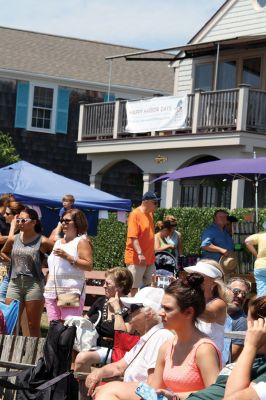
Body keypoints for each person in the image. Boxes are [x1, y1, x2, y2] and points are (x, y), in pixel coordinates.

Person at [85, 287, 174, 399]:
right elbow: (119, 367)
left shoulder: (161, 336)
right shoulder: (147, 337)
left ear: (149, 313)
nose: (129, 312)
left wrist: (114, 387)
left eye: (134, 307)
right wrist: (99, 373)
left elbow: (152, 388)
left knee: (106, 392)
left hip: (148, 396)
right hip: (135, 393)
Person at [149, 274, 222, 400]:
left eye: (168, 309)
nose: (161, 313)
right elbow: (154, 392)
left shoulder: (204, 350)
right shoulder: (166, 347)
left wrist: (175, 397)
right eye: (162, 307)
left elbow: (216, 396)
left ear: (188, 312)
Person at [186, 296, 266, 400]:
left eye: (248, 321)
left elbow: (231, 397)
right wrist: (176, 396)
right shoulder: (254, 358)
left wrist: (250, 347)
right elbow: (214, 391)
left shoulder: (255, 357)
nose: (247, 329)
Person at [1, 208, 53, 337]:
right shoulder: (14, 239)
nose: (20, 223)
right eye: (18, 220)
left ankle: (36, 356)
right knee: (10, 322)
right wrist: (15, 263)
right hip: (14, 283)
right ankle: (8, 355)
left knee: (32, 325)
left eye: (23, 220)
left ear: (34, 222)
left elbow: (56, 258)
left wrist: (49, 273)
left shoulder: (44, 241)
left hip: (34, 285)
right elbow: (2, 252)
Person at [74, 267, 133, 372]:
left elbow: (123, 335)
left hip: (117, 351)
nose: (104, 286)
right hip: (94, 346)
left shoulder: (131, 308)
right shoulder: (101, 301)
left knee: (82, 358)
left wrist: (117, 309)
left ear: (119, 287)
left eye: (108, 283)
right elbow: (85, 321)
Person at [44, 208, 93, 322]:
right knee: (54, 327)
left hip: (71, 291)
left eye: (67, 221)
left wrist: (68, 257)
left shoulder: (81, 241)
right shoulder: (58, 242)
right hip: (52, 292)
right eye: (62, 220)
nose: (63, 223)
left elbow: (89, 265)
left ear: (77, 223)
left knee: (68, 328)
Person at [184, 259, 229, 356]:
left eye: (200, 276)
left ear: (214, 284)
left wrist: (181, 296)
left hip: (210, 360)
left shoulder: (219, 304)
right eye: (193, 274)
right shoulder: (188, 302)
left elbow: (207, 316)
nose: (194, 279)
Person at [125, 191, 160, 295]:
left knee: (153, 286)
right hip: (136, 258)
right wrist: (140, 253)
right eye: (155, 203)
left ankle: (146, 309)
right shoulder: (135, 214)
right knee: (133, 288)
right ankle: (131, 310)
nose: (157, 205)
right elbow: (133, 237)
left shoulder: (150, 214)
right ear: (146, 202)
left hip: (149, 258)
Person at [226, 277, 250, 362]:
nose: (240, 296)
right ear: (226, 290)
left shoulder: (241, 320)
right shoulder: (214, 309)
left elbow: (232, 355)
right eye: (236, 291)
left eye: (244, 294)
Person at [245, 231, 266, 297]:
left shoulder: (262, 234)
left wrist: (257, 255)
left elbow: (247, 241)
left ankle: (261, 306)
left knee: (261, 292)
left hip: (260, 265)